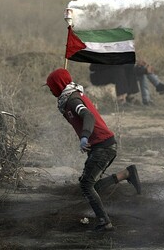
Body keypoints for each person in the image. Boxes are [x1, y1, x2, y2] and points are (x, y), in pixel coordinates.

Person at [45, 68, 142, 232]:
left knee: (86, 185)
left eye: (51, 86)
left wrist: (84, 136)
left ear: (58, 84)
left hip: (103, 146)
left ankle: (105, 222)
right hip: (103, 145)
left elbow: (88, 116)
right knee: (91, 187)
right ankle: (126, 173)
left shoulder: (73, 99)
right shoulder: (69, 98)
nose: (50, 89)